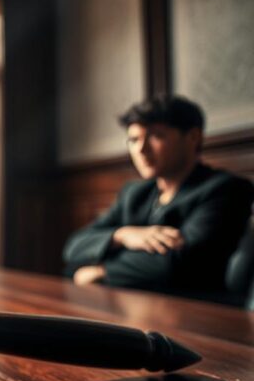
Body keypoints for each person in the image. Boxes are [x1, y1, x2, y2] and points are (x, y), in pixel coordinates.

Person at [63, 95, 254, 300]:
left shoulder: (226, 189)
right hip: (131, 305)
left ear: (193, 137)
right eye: (134, 140)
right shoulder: (134, 193)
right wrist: (123, 236)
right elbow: (74, 247)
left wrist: (103, 272)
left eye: (156, 136)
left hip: (195, 316)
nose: (141, 150)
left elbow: (177, 265)